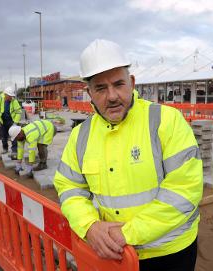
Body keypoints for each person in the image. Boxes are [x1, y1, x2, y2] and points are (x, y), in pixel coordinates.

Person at [54, 39, 203, 271]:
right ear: (89, 93)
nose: (112, 96)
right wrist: (89, 226)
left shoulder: (166, 121)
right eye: (101, 88)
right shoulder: (80, 136)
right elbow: (69, 187)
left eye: (118, 84)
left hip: (169, 254)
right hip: (113, 256)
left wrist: (126, 234)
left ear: (132, 83)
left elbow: (184, 190)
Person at [0, 86, 22, 158]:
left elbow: (18, 112)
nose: (11, 97)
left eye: (12, 96)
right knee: (3, 136)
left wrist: (15, 122)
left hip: (11, 121)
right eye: (10, 96)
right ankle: (5, 148)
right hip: (2, 121)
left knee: (14, 135)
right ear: (5, 95)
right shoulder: (0, 99)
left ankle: (14, 150)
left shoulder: (14, 101)